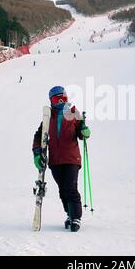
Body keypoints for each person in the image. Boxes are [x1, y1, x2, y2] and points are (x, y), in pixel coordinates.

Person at [32, 86, 91, 232]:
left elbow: (81, 132)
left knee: (71, 188)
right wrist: (37, 153)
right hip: (55, 161)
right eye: (56, 99)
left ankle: (76, 217)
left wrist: (84, 131)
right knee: (62, 190)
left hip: (71, 158)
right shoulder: (48, 117)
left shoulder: (73, 113)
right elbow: (39, 136)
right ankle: (69, 214)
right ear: (51, 101)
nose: (60, 102)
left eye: (63, 98)